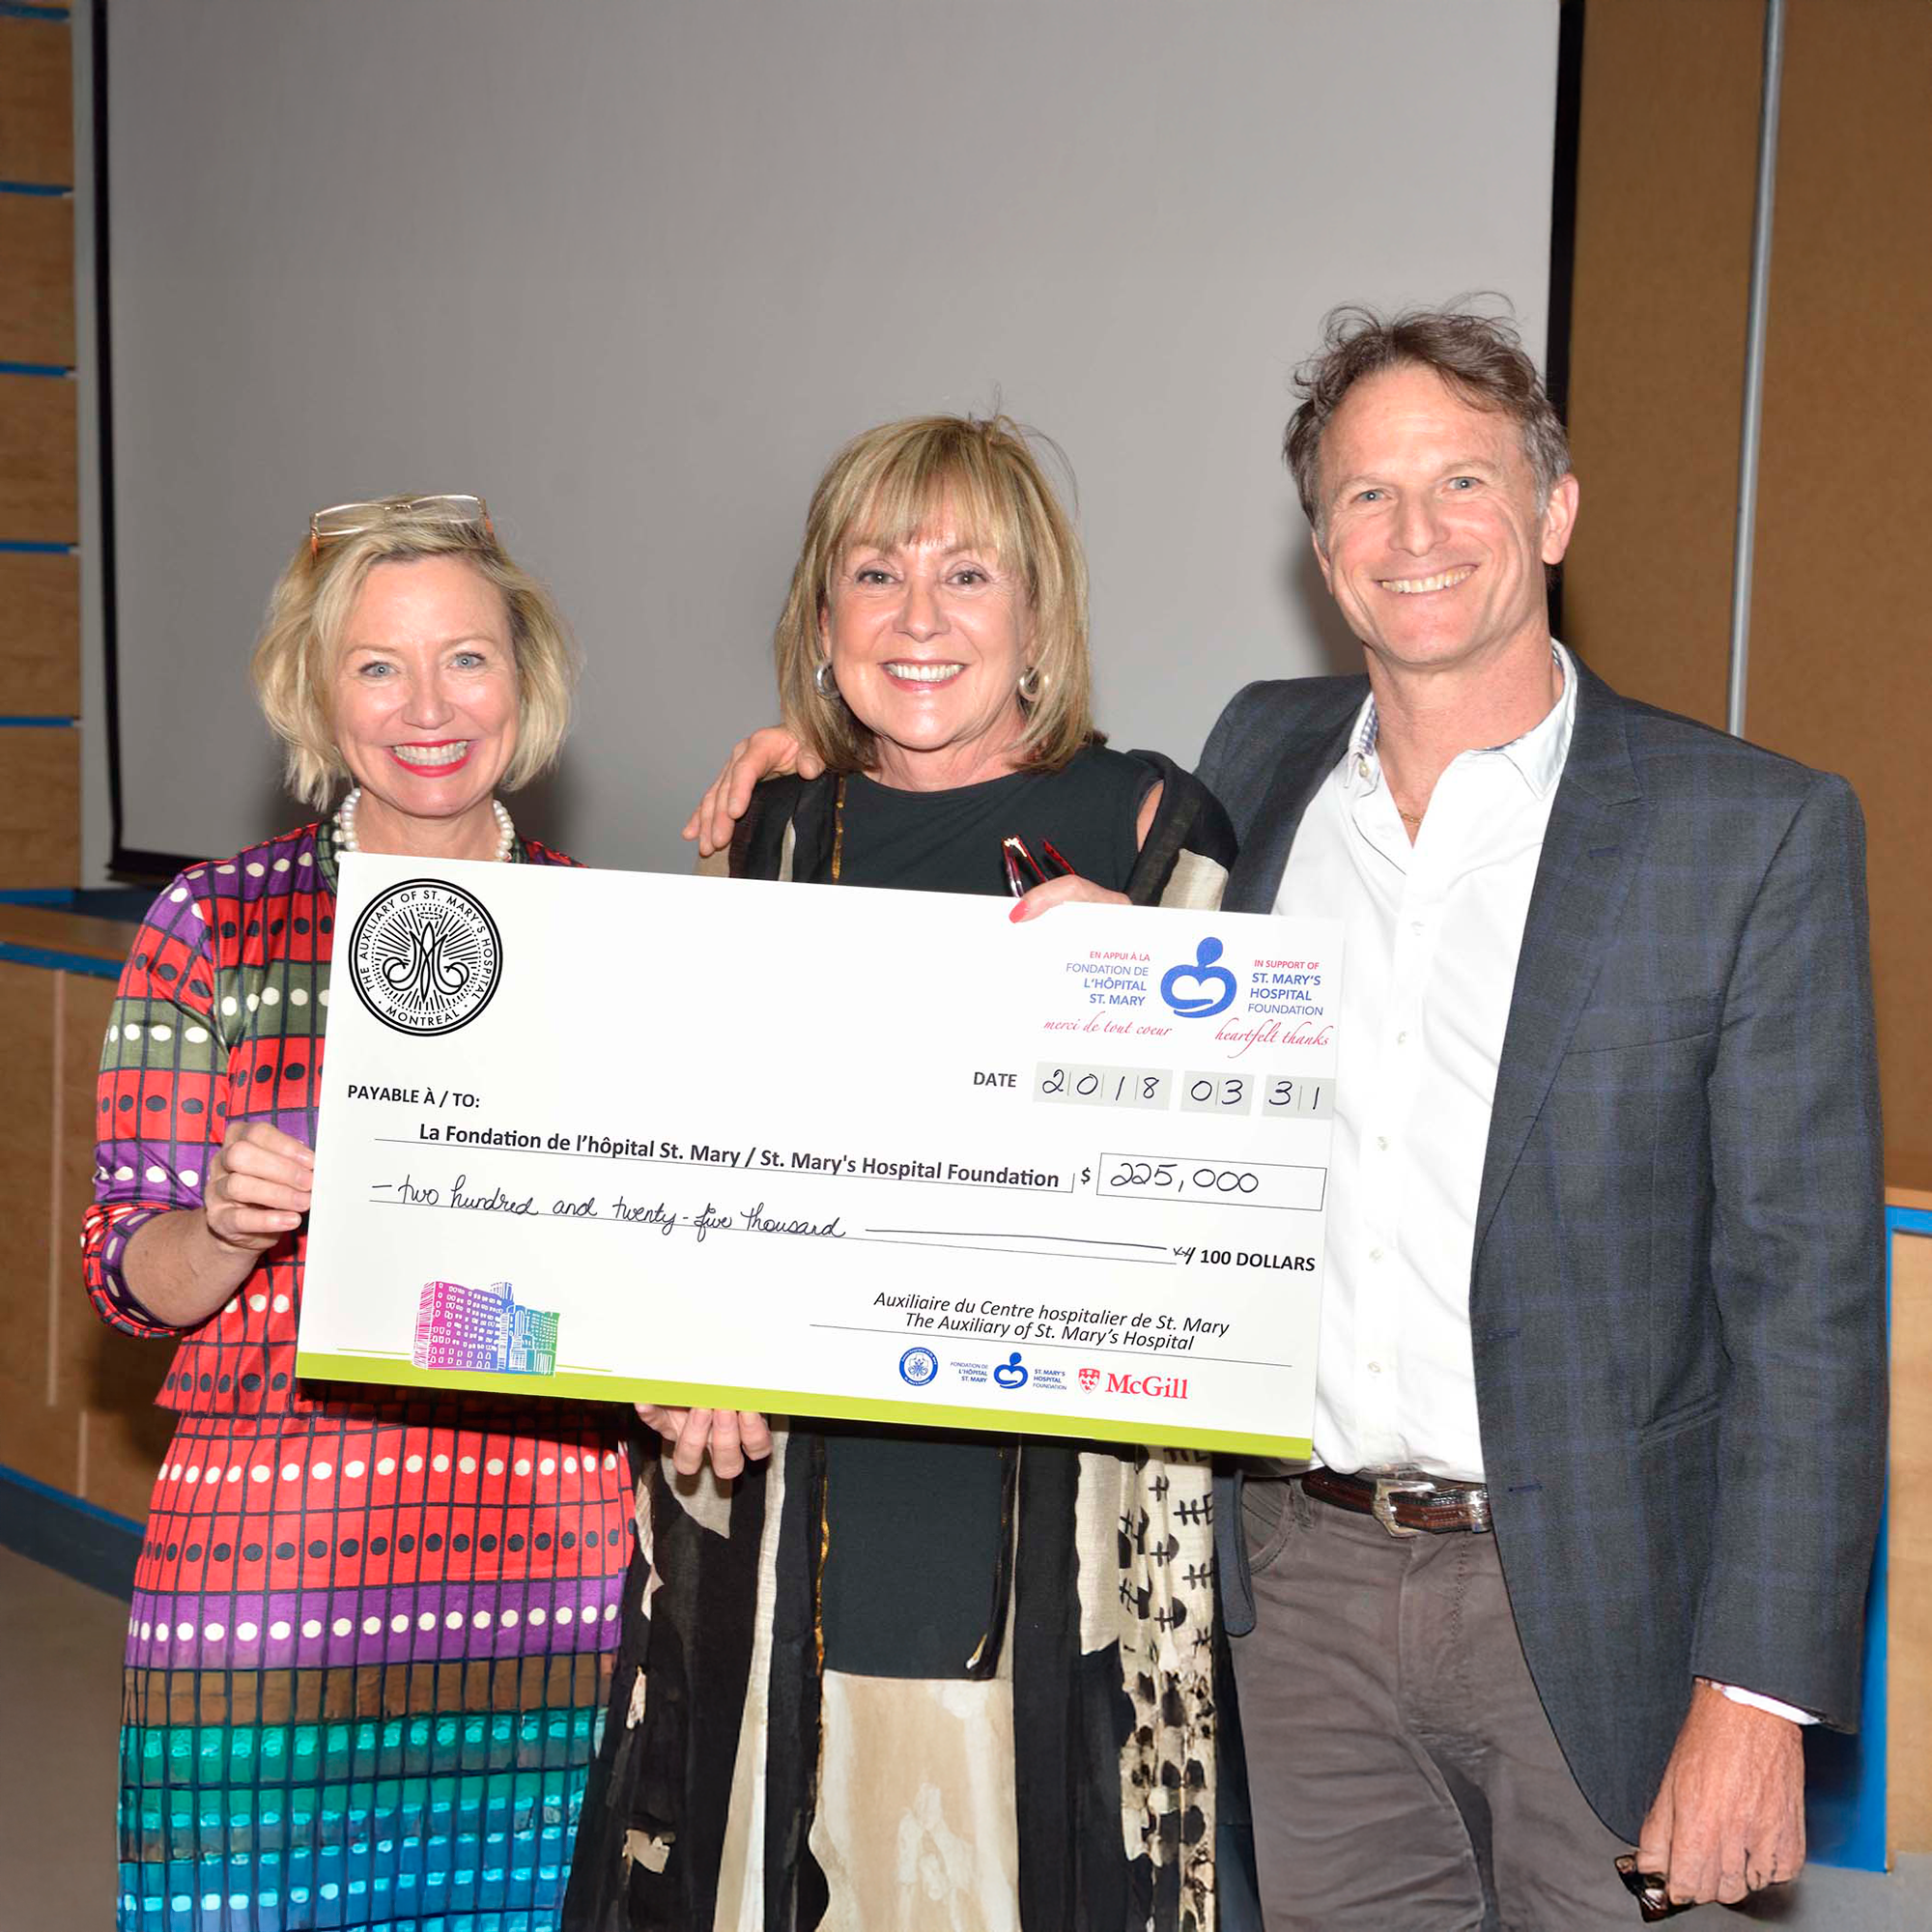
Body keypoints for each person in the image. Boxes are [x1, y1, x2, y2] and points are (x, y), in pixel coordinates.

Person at [677, 309, 1888, 1928]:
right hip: (1297, 1595)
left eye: (1462, 482)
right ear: (1322, 549)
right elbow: (1009, 852)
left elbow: (1811, 1305)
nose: (1415, 532)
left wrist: (1759, 1695)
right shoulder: (1255, 766)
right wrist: (807, 757)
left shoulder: (1747, 828)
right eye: (1367, 495)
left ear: (1554, 512)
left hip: (1603, 1610)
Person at [565, 416, 1241, 1932]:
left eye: (968, 573)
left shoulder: (1152, 834)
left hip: (1030, 1523)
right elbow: (689, 1158)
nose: (919, 615)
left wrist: (1144, 1003)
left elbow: (1224, 1201)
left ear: (1039, 622)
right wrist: (669, 1346)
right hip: (777, 1498)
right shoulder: (773, 833)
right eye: (876, 573)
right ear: (824, 623)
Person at [84, 496, 636, 1932]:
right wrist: (222, 1229)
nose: (428, 707)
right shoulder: (213, 924)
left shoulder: (617, 941)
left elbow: (647, 1265)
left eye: (467, 658)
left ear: (527, 679)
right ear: (316, 696)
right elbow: (130, 1278)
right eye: (378, 666)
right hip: (271, 1564)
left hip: (545, 1563)